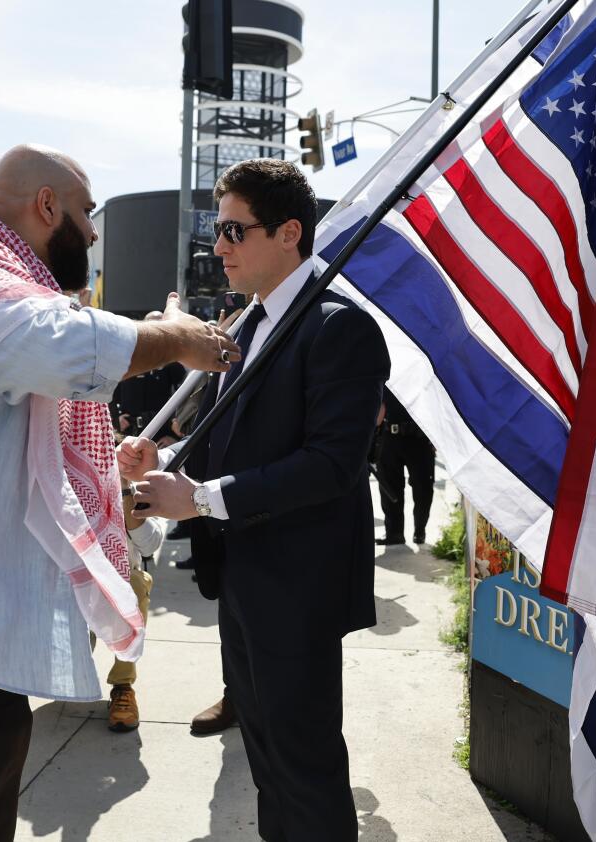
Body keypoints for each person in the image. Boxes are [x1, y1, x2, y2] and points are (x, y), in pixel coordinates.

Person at [0, 144, 240, 841]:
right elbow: (57, 348)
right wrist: (177, 335)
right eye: (87, 213)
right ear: (47, 205)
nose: (92, 232)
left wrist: (108, 469)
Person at [120, 158, 390, 841]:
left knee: (303, 764)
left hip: (299, 585)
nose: (220, 248)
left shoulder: (339, 327)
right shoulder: (246, 325)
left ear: (290, 232)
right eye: (220, 231)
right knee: (269, 757)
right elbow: (230, 441)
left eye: (235, 232)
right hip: (243, 576)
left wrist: (200, 497)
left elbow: (331, 466)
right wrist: (167, 460)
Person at [104, 480, 164, 732]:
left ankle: (123, 686)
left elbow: (150, 545)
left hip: (119, 581)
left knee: (135, 584)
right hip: (70, 584)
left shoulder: (136, 484)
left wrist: (125, 491)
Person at [374, 386, 436, 545]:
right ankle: (394, 533)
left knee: (423, 487)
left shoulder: (424, 369)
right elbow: (379, 409)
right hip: (389, 437)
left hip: (420, 439)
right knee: (389, 487)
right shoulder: (388, 373)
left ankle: (420, 530)